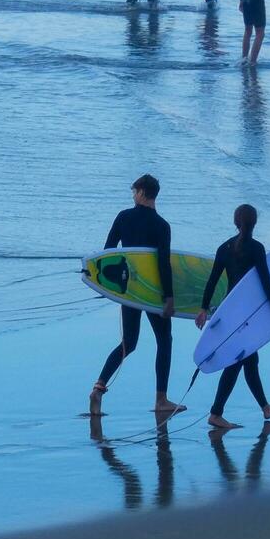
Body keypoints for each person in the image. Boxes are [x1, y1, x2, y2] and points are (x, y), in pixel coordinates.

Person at [88, 174, 186, 418]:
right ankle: (161, 399)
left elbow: (108, 253)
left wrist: (107, 287)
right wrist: (169, 297)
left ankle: (99, 387)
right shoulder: (162, 225)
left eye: (134, 191)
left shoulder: (124, 217)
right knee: (164, 341)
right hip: (153, 294)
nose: (133, 195)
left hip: (130, 291)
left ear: (142, 192)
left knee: (129, 343)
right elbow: (163, 263)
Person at [196, 204, 270, 430]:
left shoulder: (224, 248)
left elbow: (213, 280)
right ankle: (216, 413)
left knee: (249, 359)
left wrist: (203, 308)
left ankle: (264, 407)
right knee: (237, 362)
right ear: (254, 223)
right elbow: (266, 282)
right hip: (249, 314)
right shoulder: (256, 248)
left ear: (235, 223)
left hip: (230, 313)